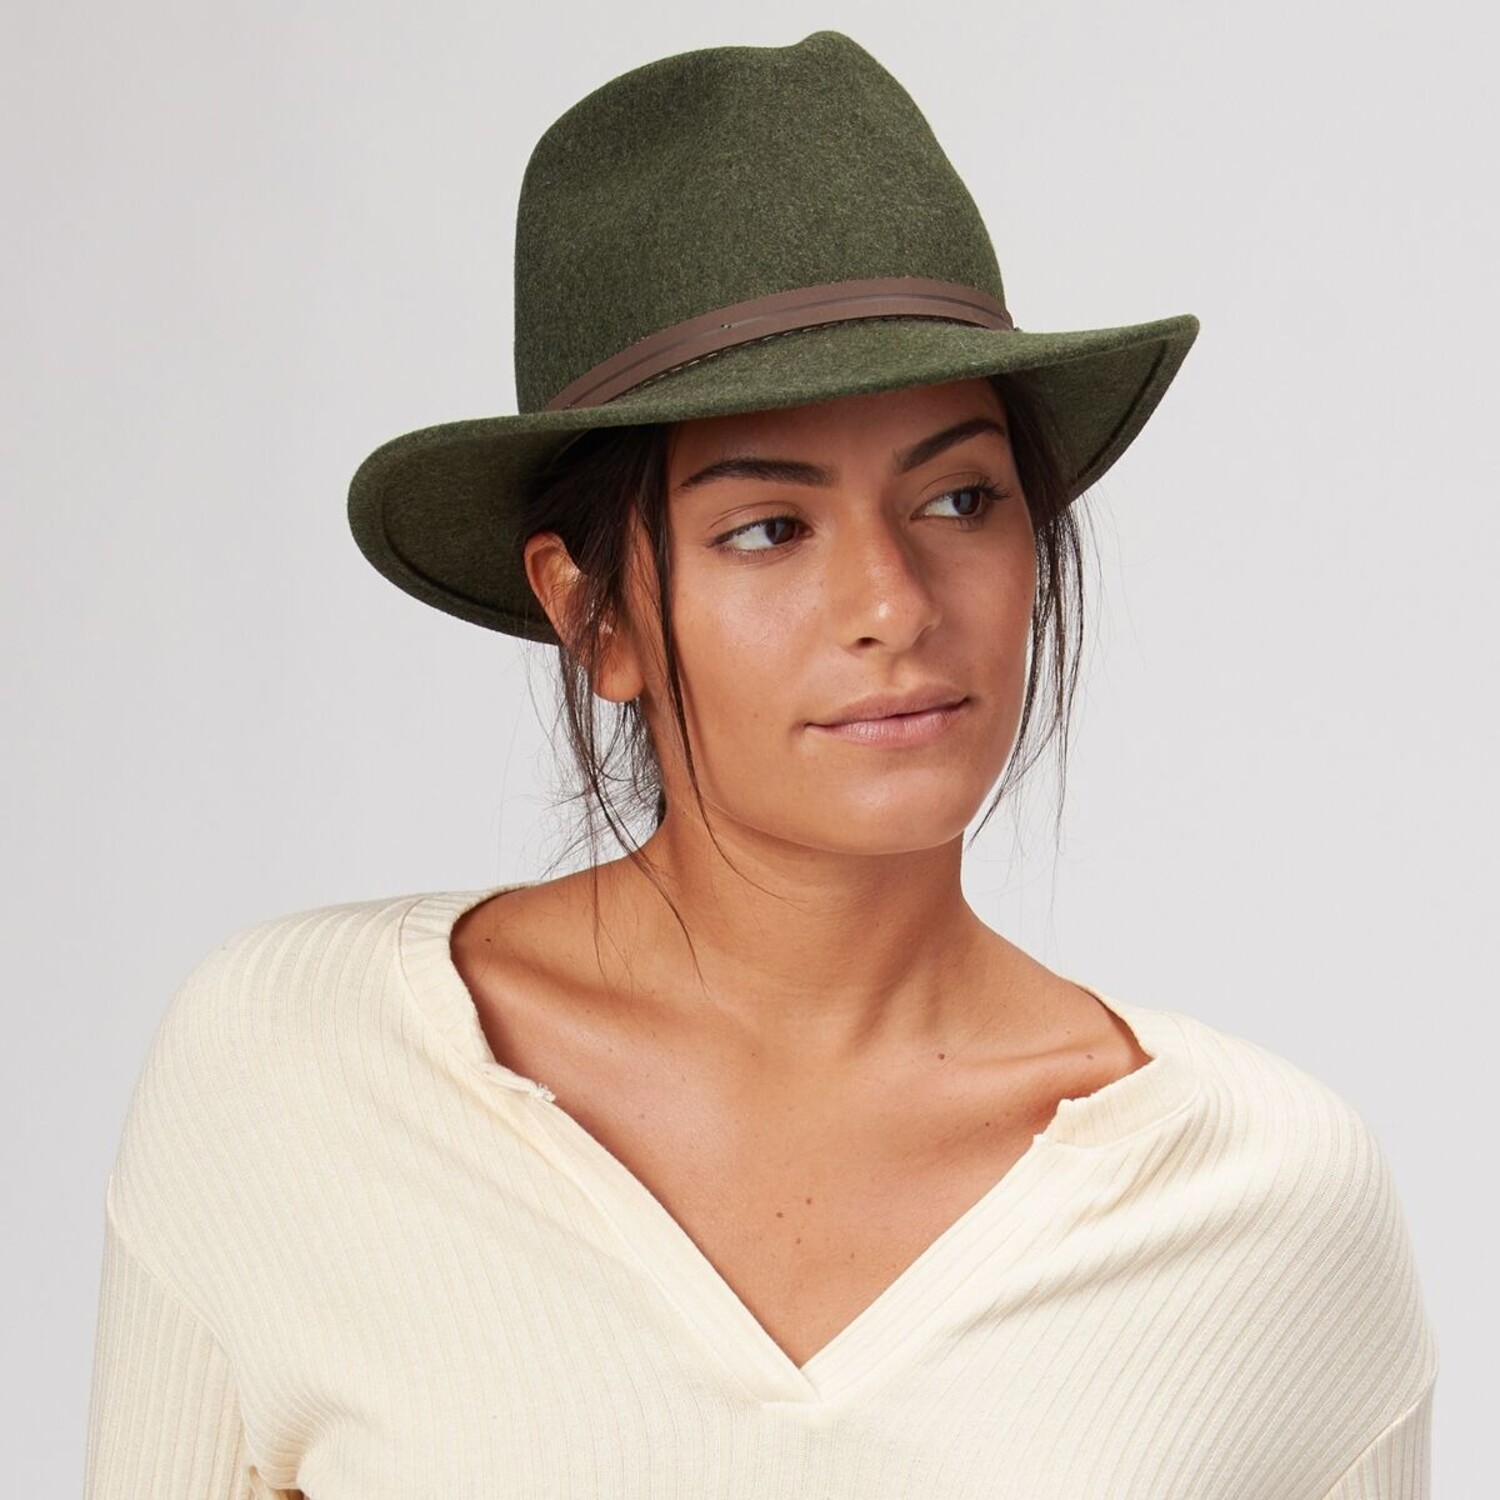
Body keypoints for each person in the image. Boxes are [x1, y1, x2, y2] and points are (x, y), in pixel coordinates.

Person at [83, 30, 1437, 1499]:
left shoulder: (1267, 1205)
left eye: (961, 498)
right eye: (769, 529)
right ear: (594, 616)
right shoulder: (295, 1069)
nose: (894, 605)